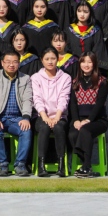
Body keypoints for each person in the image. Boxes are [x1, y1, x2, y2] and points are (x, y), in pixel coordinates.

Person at [0, 50, 33, 177]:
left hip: (17, 118)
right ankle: (2, 165)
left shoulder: (25, 78)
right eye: (8, 62)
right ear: (2, 63)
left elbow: (27, 100)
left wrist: (26, 117)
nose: (11, 65)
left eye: (14, 62)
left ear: (19, 63)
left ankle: (20, 165)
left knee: (26, 131)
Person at [32, 46, 71, 178]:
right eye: (47, 59)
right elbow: (37, 99)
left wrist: (57, 117)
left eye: (53, 58)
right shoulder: (36, 77)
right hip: (41, 116)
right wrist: (45, 117)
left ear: (58, 59)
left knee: (59, 127)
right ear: (42, 60)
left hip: (60, 115)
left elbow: (64, 99)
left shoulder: (65, 77)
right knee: (44, 127)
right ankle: (41, 166)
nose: (50, 62)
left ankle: (61, 166)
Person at [69, 52, 108, 178]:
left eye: (89, 62)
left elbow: (100, 104)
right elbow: (73, 104)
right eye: (83, 62)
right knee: (72, 134)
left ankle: (86, 167)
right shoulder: (75, 82)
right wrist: (76, 120)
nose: (86, 65)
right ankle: (86, 164)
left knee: (85, 131)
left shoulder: (102, 81)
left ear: (94, 64)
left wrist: (89, 120)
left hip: (98, 120)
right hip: (80, 119)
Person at [68, 1, 108, 74]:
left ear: (90, 13)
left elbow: (99, 50)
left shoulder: (95, 30)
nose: (82, 14)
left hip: (91, 69)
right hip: (73, 69)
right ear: (76, 12)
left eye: (85, 12)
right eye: (79, 11)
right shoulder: (69, 30)